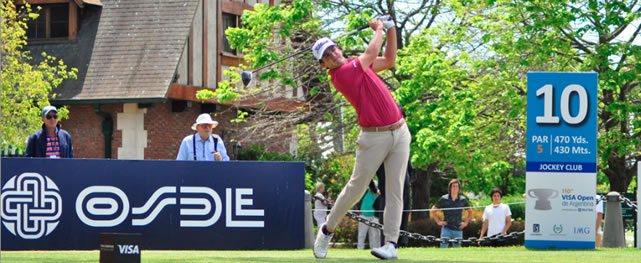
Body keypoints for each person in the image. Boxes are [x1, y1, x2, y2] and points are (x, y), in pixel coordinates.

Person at [312, 17, 410, 260]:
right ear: (324, 64)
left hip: (400, 131)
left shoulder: (359, 65)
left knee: (396, 189)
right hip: (373, 138)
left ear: (339, 48)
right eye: (327, 54)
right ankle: (327, 230)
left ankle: (391, 245)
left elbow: (389, 60)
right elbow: (372, 51)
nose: (333, 54)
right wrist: (378, 29)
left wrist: (391, 31)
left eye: (333, 48)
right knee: (356, 188)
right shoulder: (342, 74)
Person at [431, 179, 472, 248]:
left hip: (458, 229)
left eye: (457, 186)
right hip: (446, 229)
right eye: (453, 186)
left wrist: (466, 223)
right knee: (443, 249)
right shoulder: (444, 198)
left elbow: (470, 212)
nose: (455, 188)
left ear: (459, 188)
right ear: (450, 188)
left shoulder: (463, 199)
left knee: (457, 252)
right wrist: (438, 221)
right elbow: (433, 210)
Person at [357, 182, 381, 249]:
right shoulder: (366, 192)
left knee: (374, 235)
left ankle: (375, 248)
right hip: (363, 215)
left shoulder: (378, 194)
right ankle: (360, 248)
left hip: (374, 217)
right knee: (361, 234)